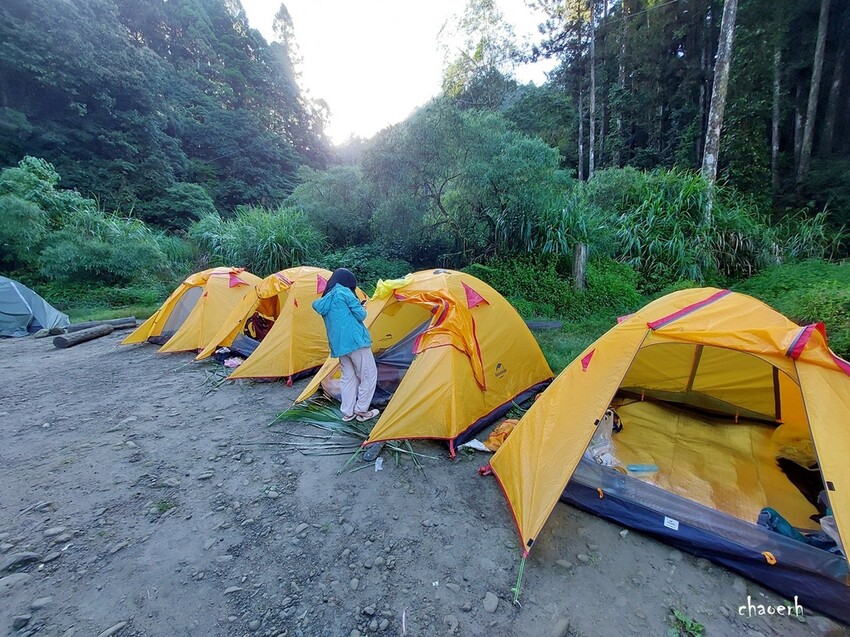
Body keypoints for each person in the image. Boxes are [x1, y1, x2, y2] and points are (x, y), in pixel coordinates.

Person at [312, 268, 379, 423]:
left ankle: (348, 412)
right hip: (355, 342)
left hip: (339, 346)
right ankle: (362, 411)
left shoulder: (326, 299)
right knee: (368, 375)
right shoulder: (344, 292)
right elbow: (361, 315)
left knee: (348, 377)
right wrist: (362, 307)